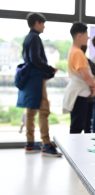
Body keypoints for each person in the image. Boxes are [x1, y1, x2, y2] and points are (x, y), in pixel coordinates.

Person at [16, 12, 61, 157]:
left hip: (29, 78)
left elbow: (29, 59)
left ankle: (30, 143)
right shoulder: (35, 38)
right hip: (36, 79)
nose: (44, 26)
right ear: (37, 23)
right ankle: (46, 144)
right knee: (44, 110)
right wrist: (50, 69)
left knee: (30, 112)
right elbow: (36, 60)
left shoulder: (27, 38)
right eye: (43, 23)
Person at [63, 22, 95, 134]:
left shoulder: (72, 50)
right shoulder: (78, 53)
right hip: (80, 95)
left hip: (78, 93)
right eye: (86, 34)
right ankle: (74, 151)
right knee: (77, 127)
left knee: (77, 126)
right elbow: (86, 76)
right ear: (79, 35)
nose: (88, 37)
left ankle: (75, 150)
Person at [81, 45, 95, 133]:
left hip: (81, 96)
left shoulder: (81, 64)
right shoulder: (91, 63)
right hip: (90, 97)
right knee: (88, 124)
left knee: (76, 125)